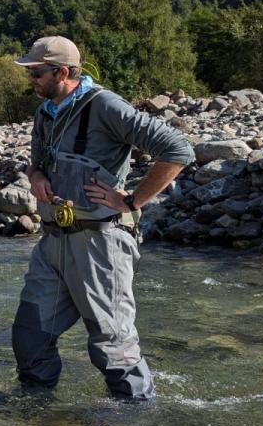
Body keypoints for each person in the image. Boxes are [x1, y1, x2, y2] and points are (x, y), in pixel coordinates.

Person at [11, 36, 194, 400]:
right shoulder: (45, 111)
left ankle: (136, 418)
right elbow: (34, 164)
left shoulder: (106, 106)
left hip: (101, 243)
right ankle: (36, 413)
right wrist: (36, 178)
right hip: (53, 242)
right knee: (29, 337)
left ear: (63, 72)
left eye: (36, 73)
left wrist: (132, 199)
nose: (30, 79)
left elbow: (178, 149)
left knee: (112, 349)